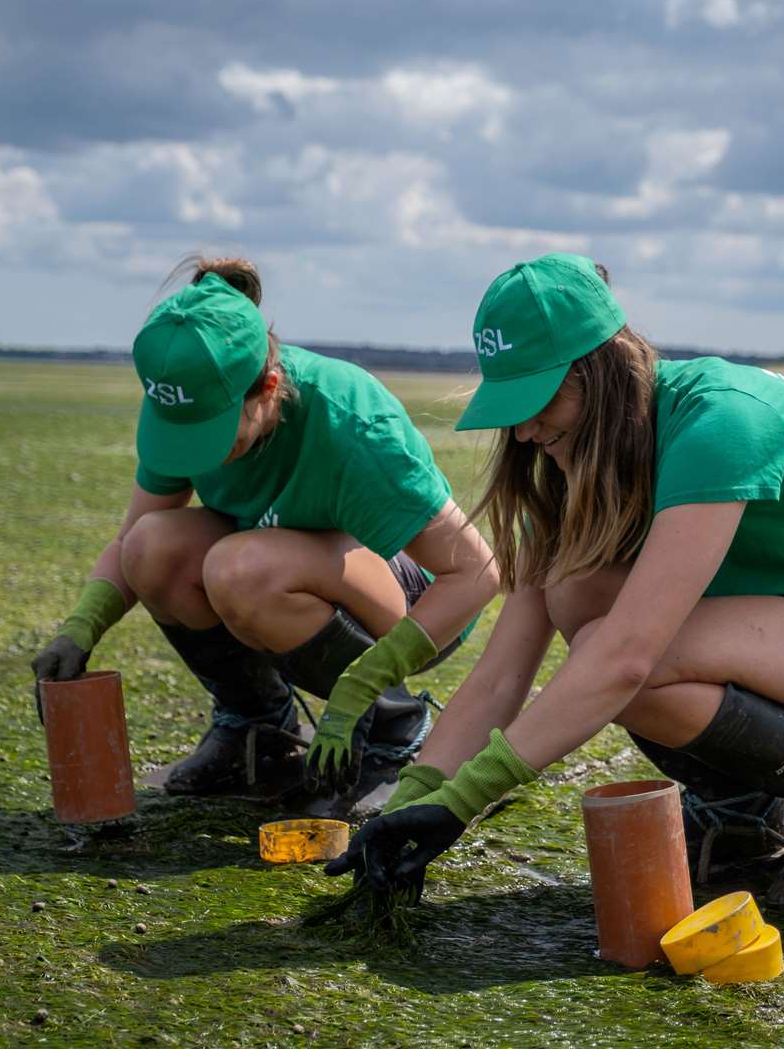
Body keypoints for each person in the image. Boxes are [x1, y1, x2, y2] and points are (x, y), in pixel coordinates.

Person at [331, 252, 784, 912]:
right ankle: (740, 812)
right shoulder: (585, 465)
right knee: (577, 593)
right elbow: (501, 676)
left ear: (601, 370)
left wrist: (461, 807)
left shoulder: (720, 422)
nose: (526, 431)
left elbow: (625, 659)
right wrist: (414, 801)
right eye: (510, 408)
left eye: (538, 401)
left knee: (621, 657)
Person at [31, 256, 498, 816]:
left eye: (211, 435)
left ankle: (396, 732)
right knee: (151, 549)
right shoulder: (184, 405)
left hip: (414, 602)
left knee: (240, 567)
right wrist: (80, 628)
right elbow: (131, 540)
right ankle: (257, 729)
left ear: (268, 388)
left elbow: (476, 574)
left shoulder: (352, 423)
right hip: (273, 566)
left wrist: (361, 684)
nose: (195, 455)